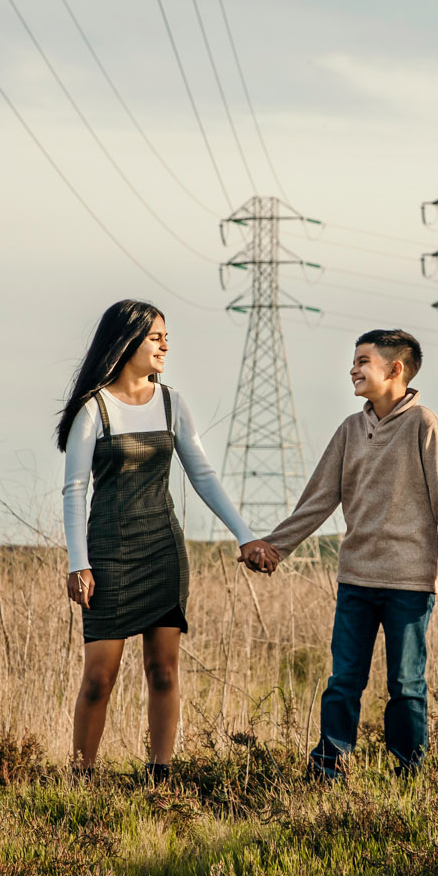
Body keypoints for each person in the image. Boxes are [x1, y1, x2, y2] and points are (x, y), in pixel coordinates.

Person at [58, 300, 275, 780]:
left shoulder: (172, 402)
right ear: (127, 340)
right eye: (155, 336)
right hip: (108, 558)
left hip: (163, 553)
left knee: (163, 672)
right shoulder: (93, 410)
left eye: (166, 336)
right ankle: (80, 782)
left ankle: (161, 778)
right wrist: (80, 562)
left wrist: (245, 535)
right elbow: (74, 490)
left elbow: (203, 474)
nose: (165, 344)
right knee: (98, 679)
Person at [253, 328, 438, 779]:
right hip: (355, 579)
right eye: (353, 361)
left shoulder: (425, 425)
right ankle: (327, 772)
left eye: (363, 361)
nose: (353, 369)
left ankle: (408, 775)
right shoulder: (351, 429)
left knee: (406, 685)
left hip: (409, 584)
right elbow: (318, 498)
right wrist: (275, 547)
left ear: (395, 369)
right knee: (343, 682)